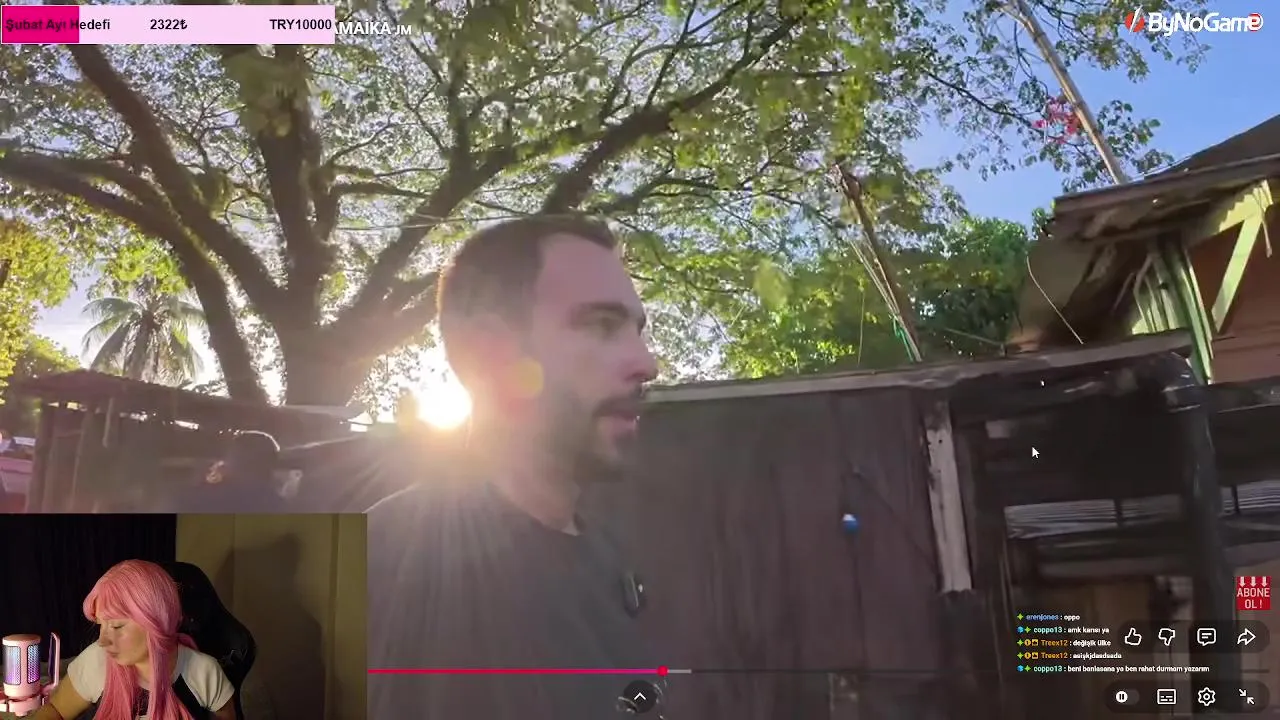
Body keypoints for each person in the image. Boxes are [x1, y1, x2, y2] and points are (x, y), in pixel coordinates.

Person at [368, 214, 662, 718]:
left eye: (637, 331)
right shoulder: (397, 557)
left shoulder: (606, 558)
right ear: (491, 354)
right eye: (602, 325)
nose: (646, 364)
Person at [34, 560, 237, 720]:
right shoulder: (97, 660)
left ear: (157, 621)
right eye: (101, 625)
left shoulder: (204, 673)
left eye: (116, 626)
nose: (103, 641)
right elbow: (55, 711)